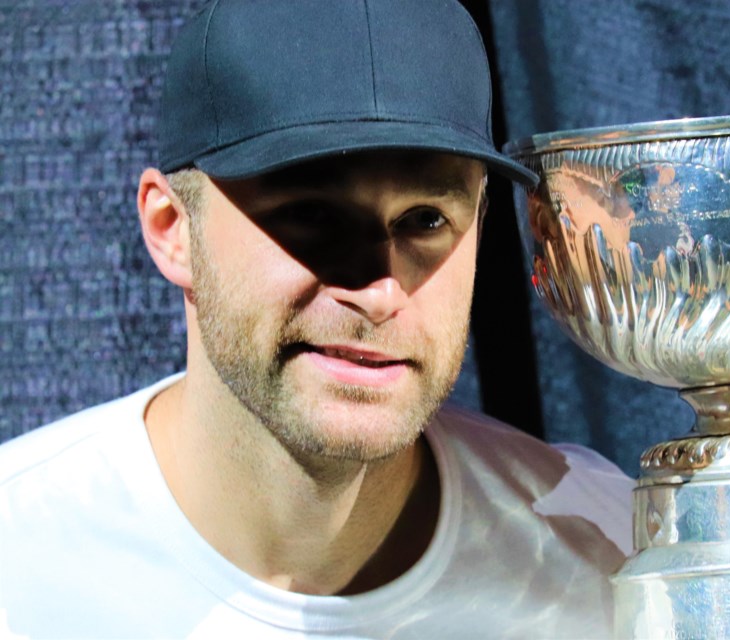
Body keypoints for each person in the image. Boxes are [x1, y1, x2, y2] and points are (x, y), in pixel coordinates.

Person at [0, 1, 633, 638]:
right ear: (173, 231)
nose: (380, 291)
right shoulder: (18, 563)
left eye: (426, 220)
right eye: (313, 215)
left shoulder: (611, 557)